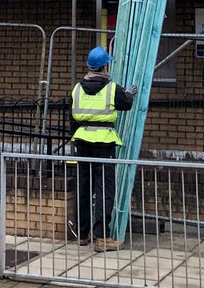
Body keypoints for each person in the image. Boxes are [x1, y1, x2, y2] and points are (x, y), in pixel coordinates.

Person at [70, 45, 137, 252]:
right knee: (104, 189)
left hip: (82, 142)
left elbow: (72, 117)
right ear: (105, 67)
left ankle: (82, 234)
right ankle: (102, 237)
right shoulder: (112, 88)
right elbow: (126, 104)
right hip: (104, 143)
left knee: (83, 187)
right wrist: (130, 93)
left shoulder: (77, 88)